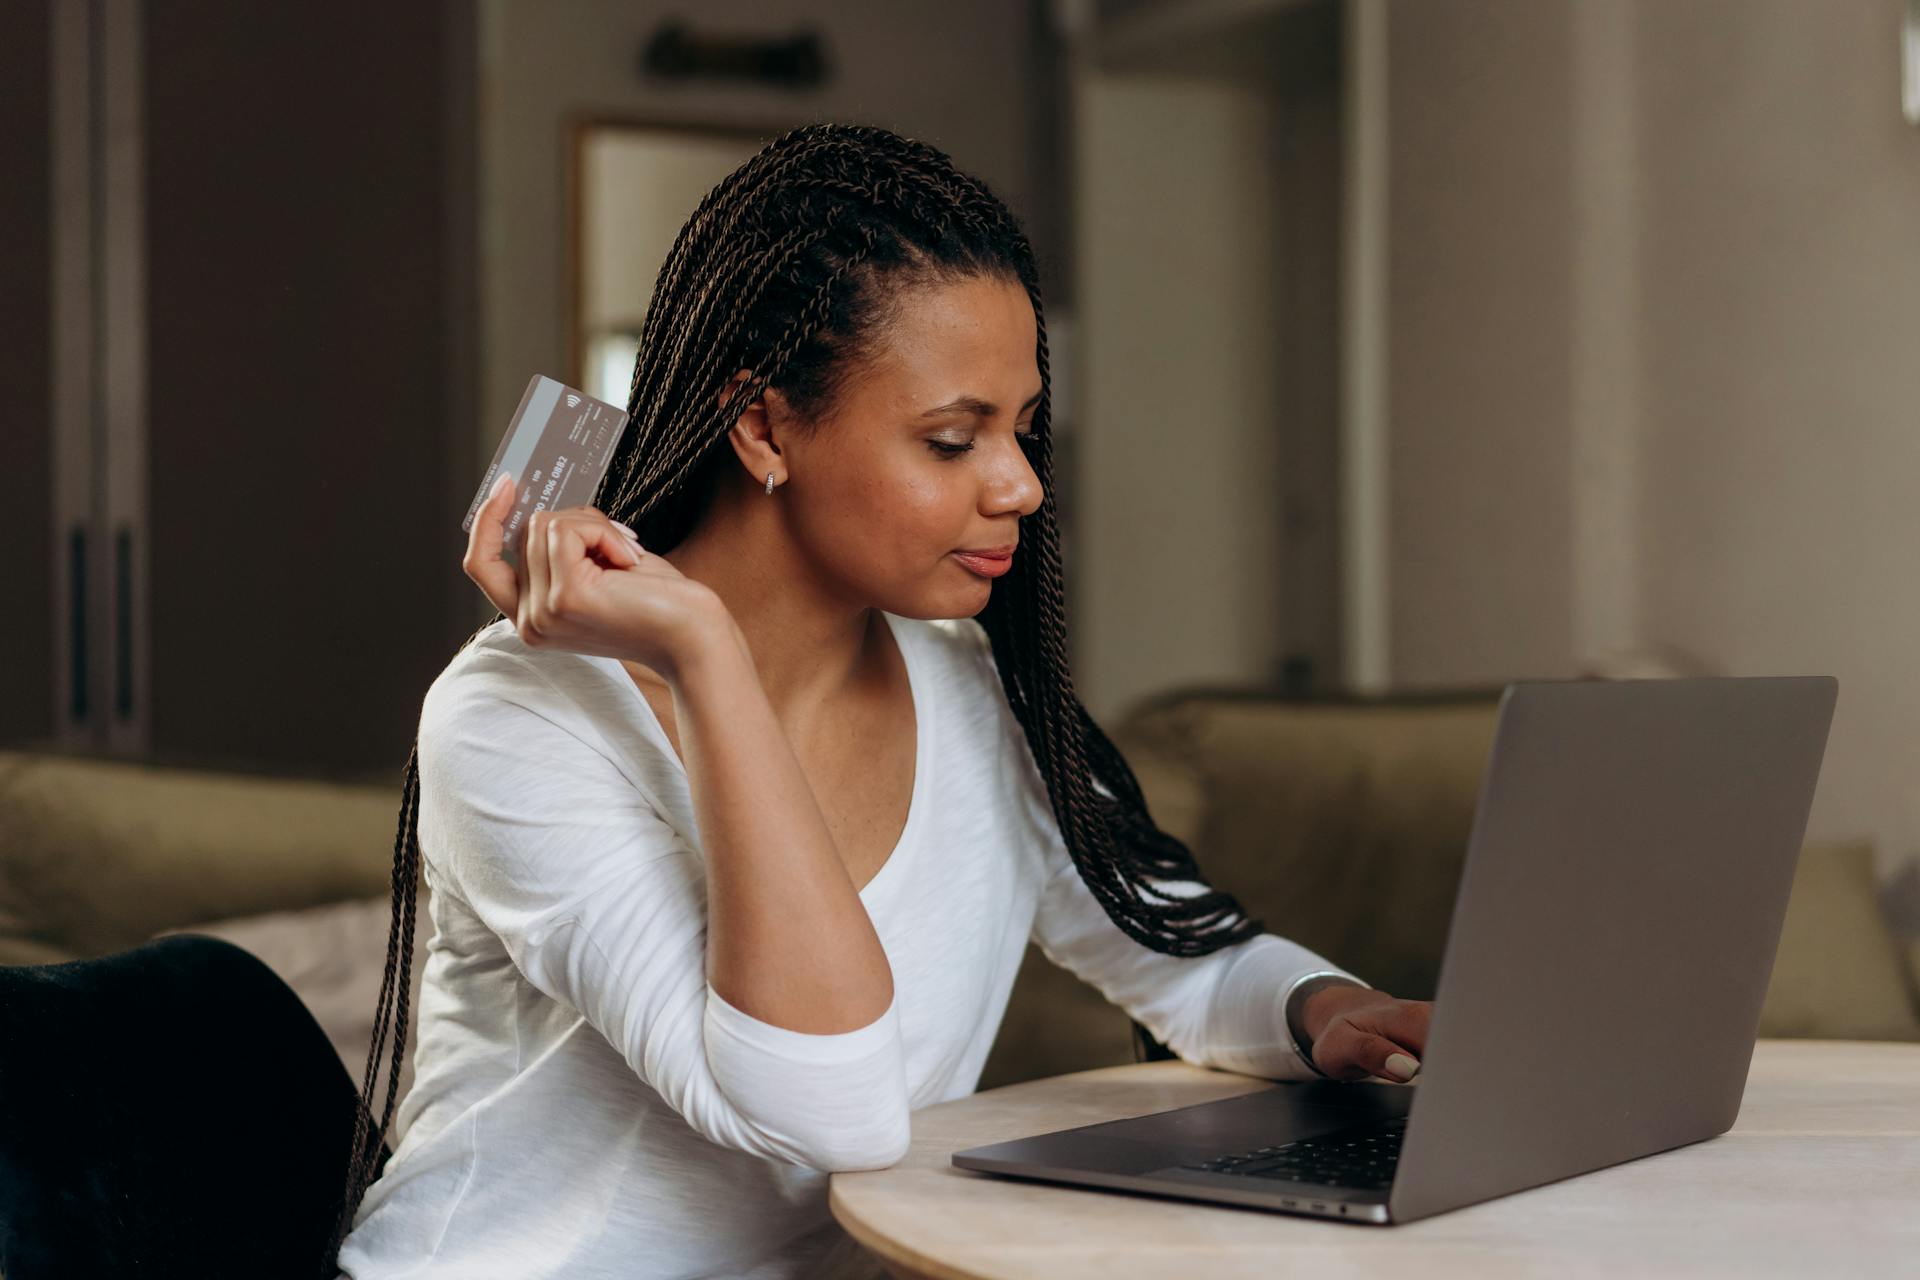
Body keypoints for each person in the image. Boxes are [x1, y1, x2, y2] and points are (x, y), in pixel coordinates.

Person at [328, 121, 1432, 1279]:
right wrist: (706, 652)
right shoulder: (517, 718)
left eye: (1021, 426)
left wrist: (1324, 1007)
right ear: (762, 424)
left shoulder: (970, 690)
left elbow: (1179, 955)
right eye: (953, 440)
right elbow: (826, 1109)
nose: (1022, 484)